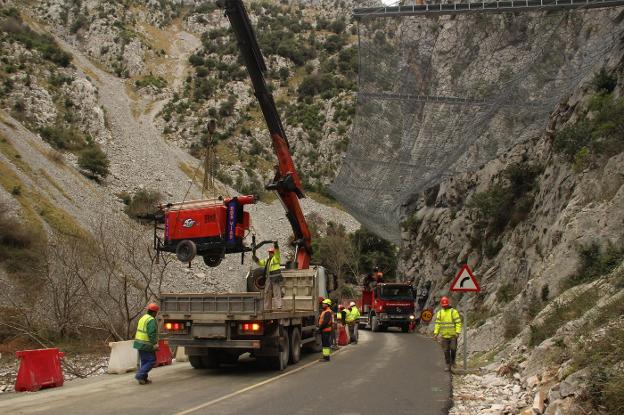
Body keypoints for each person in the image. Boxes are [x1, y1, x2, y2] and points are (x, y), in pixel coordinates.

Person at [433, 296, 462, 372]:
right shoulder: (440, 313)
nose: (445, 306)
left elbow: (458, 323)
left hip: (453, 335)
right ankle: (447, 364)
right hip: (444, 336)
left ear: (448, 304)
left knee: (453, 349)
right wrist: (436, 333)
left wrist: (457, 332)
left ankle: (453, 362)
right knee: (446, 351)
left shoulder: (453, 312)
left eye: (446, 305)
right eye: (443, 305)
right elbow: (437, 324)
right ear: (441, 305)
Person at [133, 302, 160, 385]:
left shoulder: (143, 318)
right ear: (154, 312)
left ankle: (143, 379)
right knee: (151, 361)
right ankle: (140, 375)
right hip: (146, 344)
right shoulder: (151, 320)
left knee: (144, 361)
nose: (156, 314)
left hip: (139, 343)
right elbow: (151, 333)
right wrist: (155, 344)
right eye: (156, 313)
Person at [253, 241, 282, 310]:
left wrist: (276, 245)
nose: (269, 253)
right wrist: (256, 260)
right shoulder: (267, 260)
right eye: (269, 252)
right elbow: (260, 263)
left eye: (271, 252)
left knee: (276, 291)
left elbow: (277, 252)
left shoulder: (276, 258)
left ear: (273, 253)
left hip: (275, 277)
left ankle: (279, 305)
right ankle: (267, 307)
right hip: (269, 277)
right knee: (267, 292)